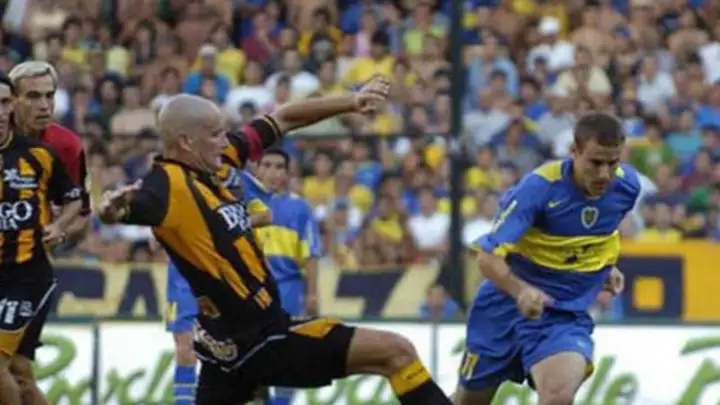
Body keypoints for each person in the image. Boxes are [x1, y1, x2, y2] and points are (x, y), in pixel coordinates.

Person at [96, 88, 454, 405]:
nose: (225, 142)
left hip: (225, 354)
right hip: (263, 341)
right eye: (216, 134)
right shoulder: (166, 186)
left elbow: (282, 119)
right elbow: (129, 208)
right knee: (396, 352)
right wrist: (112, 211)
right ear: (187, 142)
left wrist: (351, 102)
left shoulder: (218, 162)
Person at [455, 112, 637, 405]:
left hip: (562, 312)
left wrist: (605, 266)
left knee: (558, 396)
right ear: (574, 152)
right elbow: (487, 258)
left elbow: (600, 231)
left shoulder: (627, 187)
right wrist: (520, 291)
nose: (604, 174)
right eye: (595, 163)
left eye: (612, 163)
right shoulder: (538, 188)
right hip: (503, 307)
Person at [4, 61, 91, 405]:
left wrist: (60, 231)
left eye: (49, 96)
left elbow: (81, 214)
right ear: (12, 100)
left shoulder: (65, 146)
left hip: (25, 270)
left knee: (13, 368)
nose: (44, 105)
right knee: (19, 372)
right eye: (33, 96)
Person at [165, 158, 272, 405]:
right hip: (183, 275)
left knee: (235, 348)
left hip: (224, 277)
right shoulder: (175, 175)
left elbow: (266, 214)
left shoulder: (234, 176)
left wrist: (236, 222)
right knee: (185, 345)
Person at [252, 147, 323, 405]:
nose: (273, 172)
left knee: (287, 356)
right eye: (267, 165)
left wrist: (312, 294)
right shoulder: (245, 204)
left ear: (287, 173)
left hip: (289, 291)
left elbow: (311, 254)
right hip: (253, 292)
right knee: (254, 359)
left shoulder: (299, 208)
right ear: (257, 170)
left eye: (279, 167)